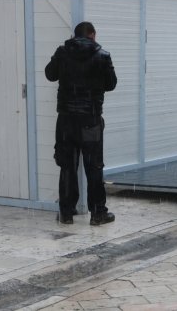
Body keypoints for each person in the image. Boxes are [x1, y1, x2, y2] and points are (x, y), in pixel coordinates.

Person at [45, 22, 117, 225]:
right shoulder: (102, 55)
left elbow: (50, 74)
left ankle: (66, 212)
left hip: (66, 120)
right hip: (91, 120)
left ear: (74, 36)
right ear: (93, 35)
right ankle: (98, 213)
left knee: (67, 166)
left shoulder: (62, 52)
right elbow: (111, 84)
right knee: (94, 167)